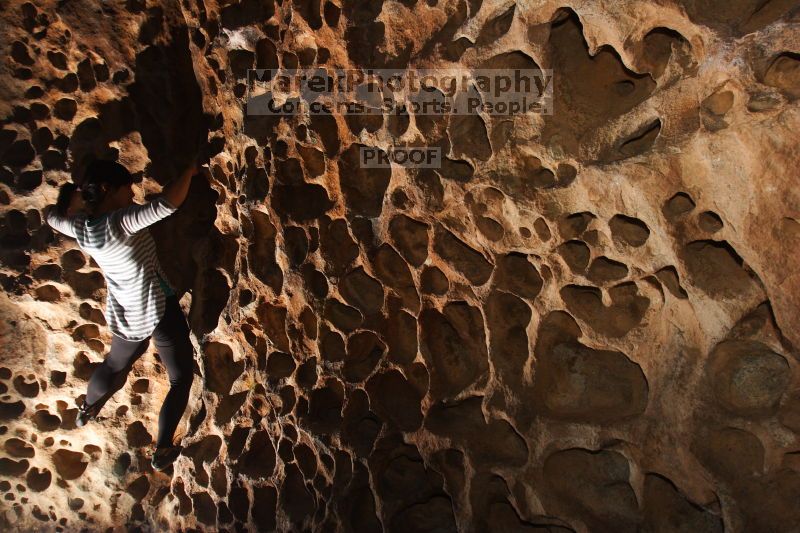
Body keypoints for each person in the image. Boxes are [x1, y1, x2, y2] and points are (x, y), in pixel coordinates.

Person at [44, 158, 203, 471]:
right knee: (181, 377)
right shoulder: (119, 221)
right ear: (107, 189)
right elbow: (167, 205)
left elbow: (51, 216)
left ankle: (87, 408)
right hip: (159, 305)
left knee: (115, 364)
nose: (132, 196)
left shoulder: (83, 227)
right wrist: (189, 170)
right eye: (127, 191)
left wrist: (72, 198)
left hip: (127, 310)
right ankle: (162, 449)